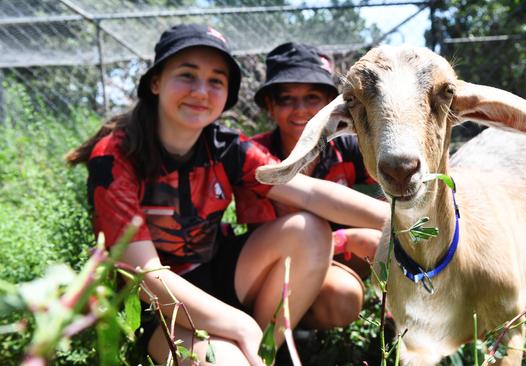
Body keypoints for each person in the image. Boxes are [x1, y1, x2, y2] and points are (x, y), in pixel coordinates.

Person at [66, 24, 389, 366]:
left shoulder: (228, 147)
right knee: (227, 361)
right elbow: (143, 273)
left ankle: (266, 352)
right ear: (156, 82)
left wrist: (411, 218)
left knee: (309, 229)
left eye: (216, 80)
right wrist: (240, 324)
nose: (201, 91)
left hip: (217, 274)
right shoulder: (116, 156)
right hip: (157, 302)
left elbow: (307, 192)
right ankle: (248, 347)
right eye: (187, 75)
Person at [252, 42, 383, 330]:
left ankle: (394, 311)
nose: (301, 110)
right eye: (287, 99)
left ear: (330, 105)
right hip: (273, 267)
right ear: (270, 107)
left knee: (381, 246)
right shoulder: (253, 156)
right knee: (341, 295)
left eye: (312, 97)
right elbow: (249, 236)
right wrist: (345, 240)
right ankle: (283, 331)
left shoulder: (350, 149)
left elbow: (391, 200)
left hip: (333, 263)